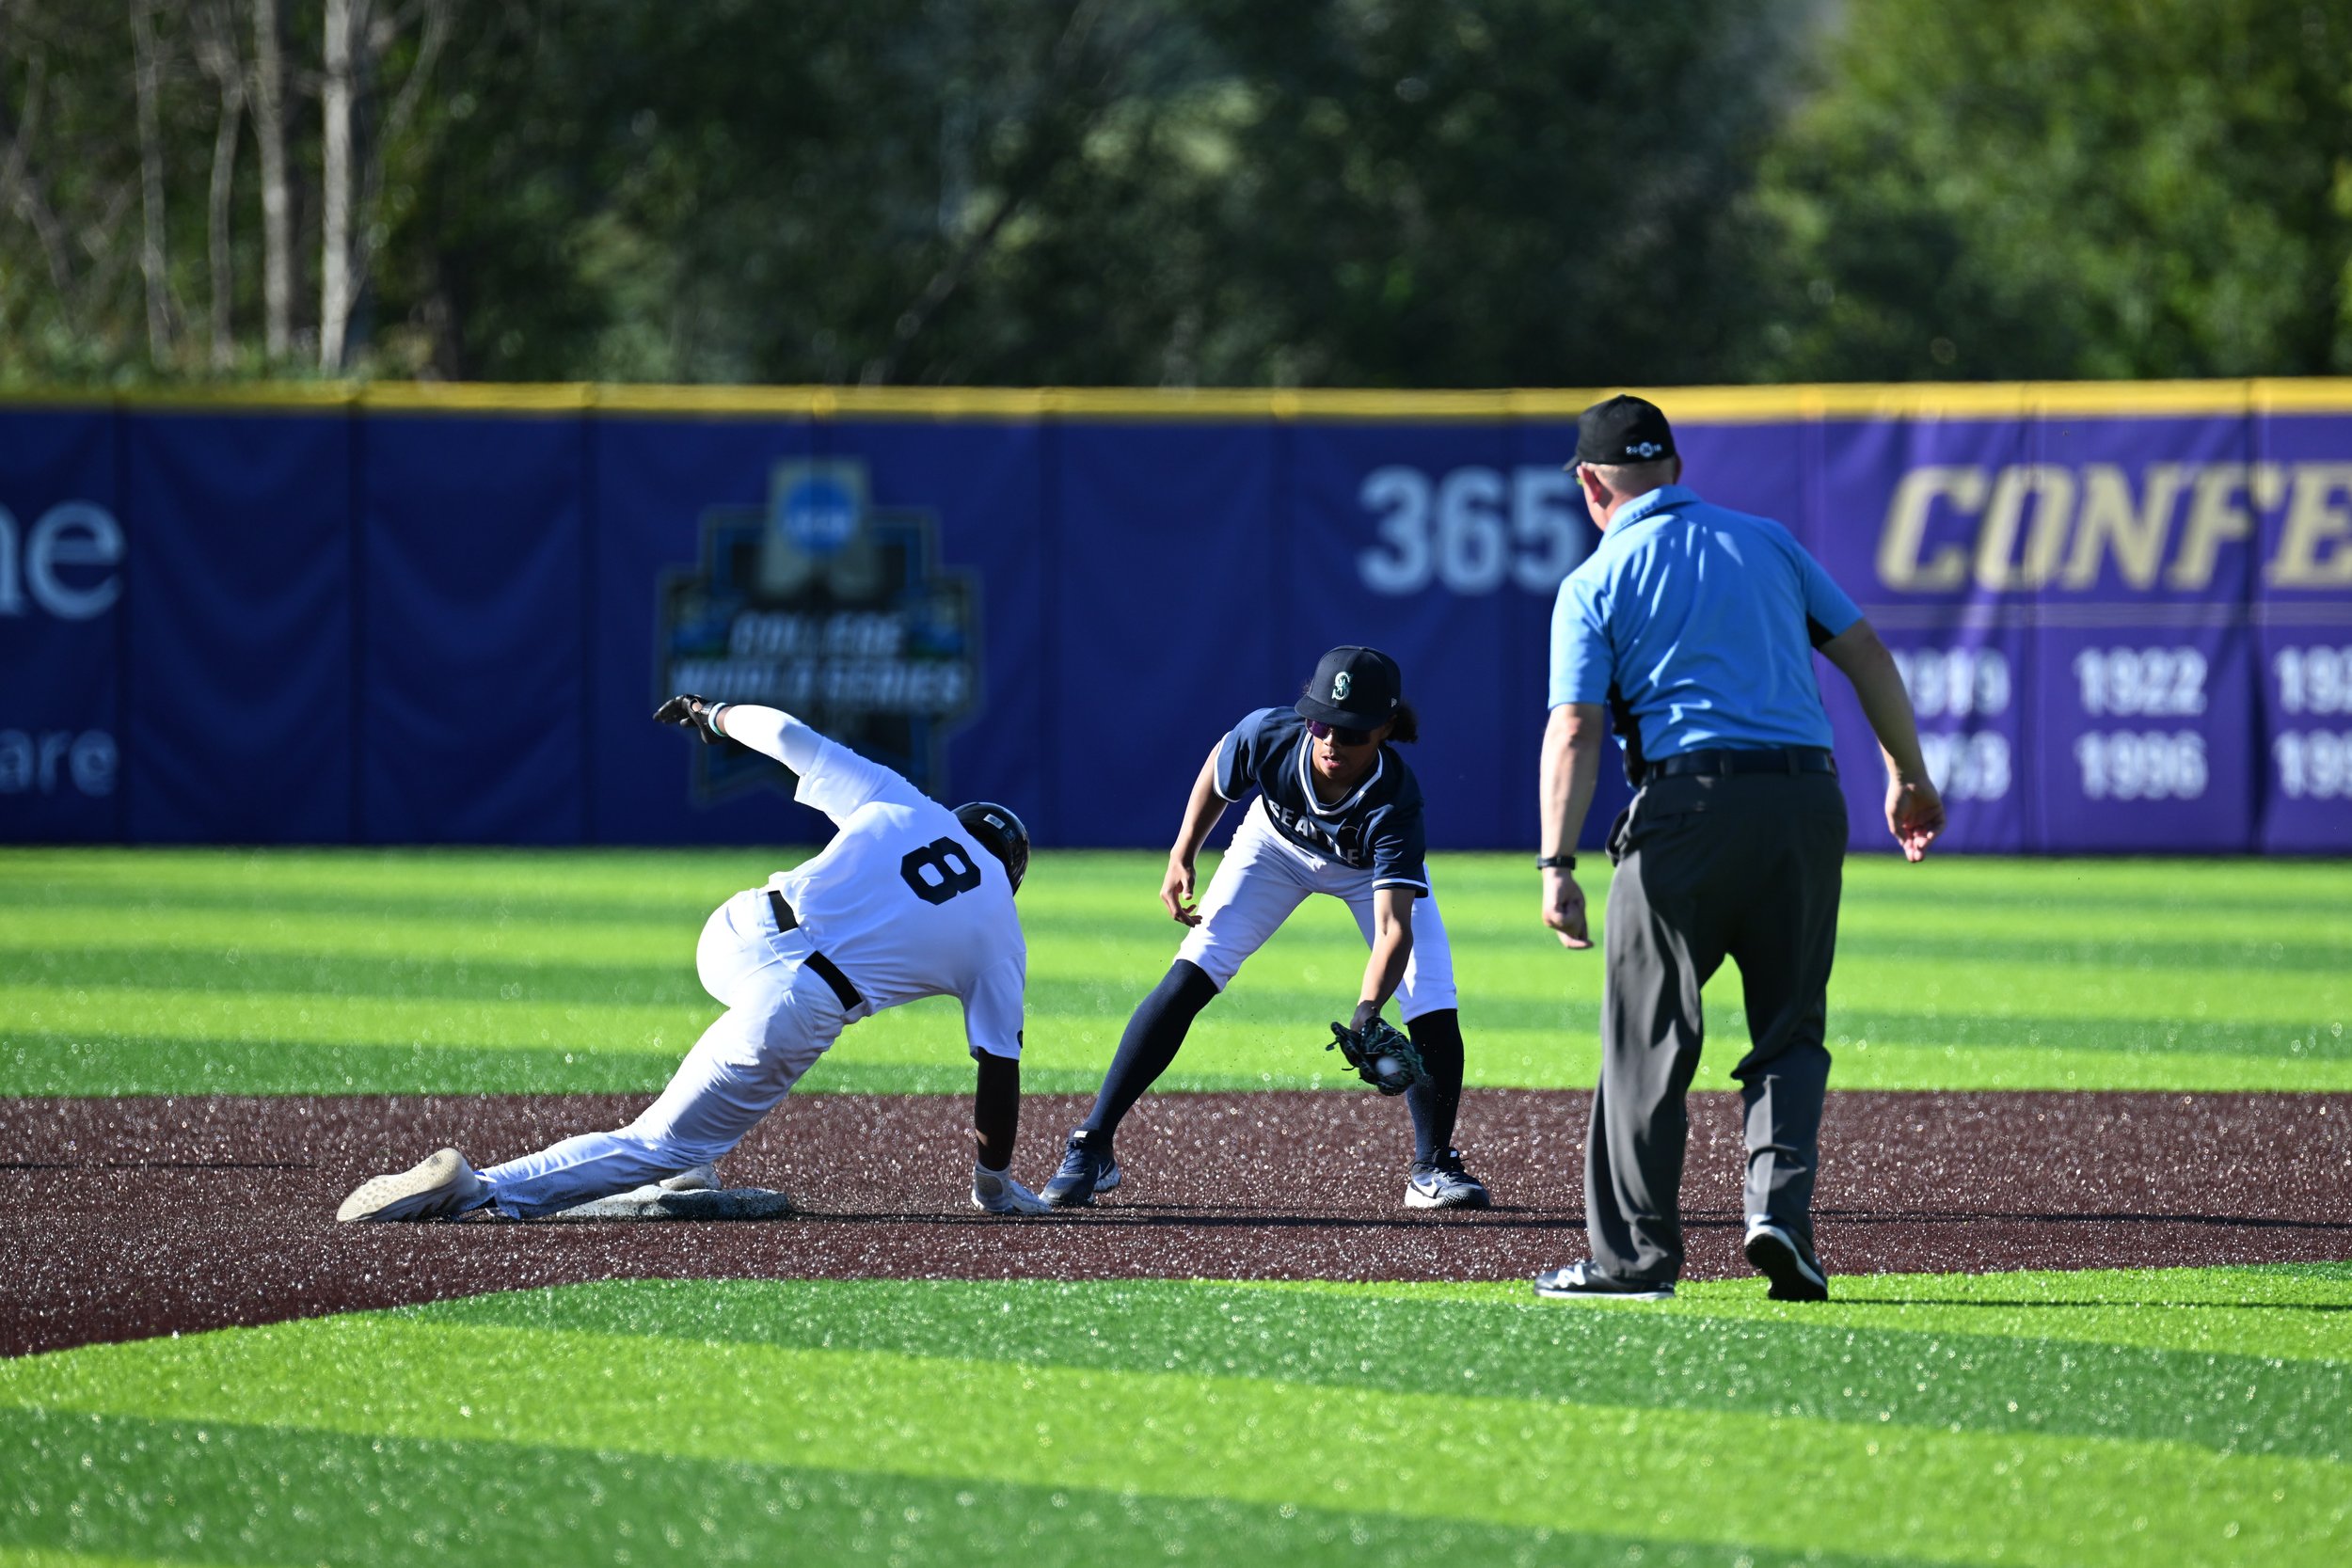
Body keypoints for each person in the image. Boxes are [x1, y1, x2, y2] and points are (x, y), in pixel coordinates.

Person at [337, 695, 1057, 1223]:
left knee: (721, 1065)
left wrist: (714, 715)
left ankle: (690, 1163)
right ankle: (483, 1185)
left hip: (737, 928)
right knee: (651, 1141)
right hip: (801, 999)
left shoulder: (909, 803)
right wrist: (993, 1184)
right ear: (1013, 872)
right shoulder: (1000, 927)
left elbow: (785, 733)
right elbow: (999, 1066)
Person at [1531, 395, 1943, 1303]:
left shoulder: (1595, 580)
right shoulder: (1767, 541)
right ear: (1674, 470)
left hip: (1686, 808)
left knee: (1649, 1038)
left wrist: (1556, 863)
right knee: (1791, 1028)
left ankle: (1631, 1260)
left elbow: (1575, 727)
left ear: (1593, 486)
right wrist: (1906, 773)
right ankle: (1777, 1219)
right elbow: (1867, 648)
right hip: (1805, 801)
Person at [1041, 646, 1489, 1211]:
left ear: (1385, 729)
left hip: (1364, 871)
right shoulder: (1271, 735)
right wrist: (1184, 850)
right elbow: (1218, 768)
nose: (1331, 741)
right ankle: (1093, 1142)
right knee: (1195, 967)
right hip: (1274, 847)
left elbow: (1394, 930)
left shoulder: (1395, 801)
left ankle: (1430, 1167)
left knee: (1432, 997)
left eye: (1351, 731)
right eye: (1323, 722)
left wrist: (1367, 1011)